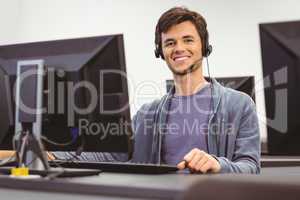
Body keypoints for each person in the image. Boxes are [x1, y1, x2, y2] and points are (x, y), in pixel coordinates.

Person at [1, 6, 260, 174]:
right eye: (170, 42)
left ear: (205, 47)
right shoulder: (149, 113)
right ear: (161, 52)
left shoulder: (238, 104)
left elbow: (251, 166)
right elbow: (114, 152)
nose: (178, 48)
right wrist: (45, 153)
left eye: (188, 40)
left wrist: (218, 164)